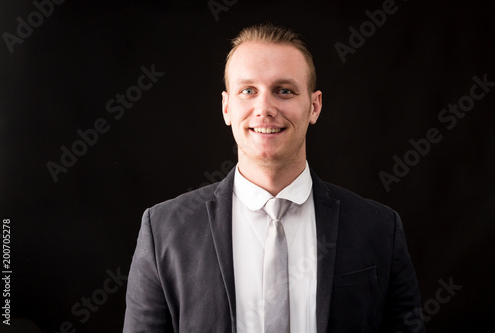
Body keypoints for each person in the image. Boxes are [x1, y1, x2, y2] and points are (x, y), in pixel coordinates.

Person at [123, 23, 425, 333]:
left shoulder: (379, 229)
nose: (264, 108)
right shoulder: (163, 230)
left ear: (314, 106)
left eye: (284, 91)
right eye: (248, 91)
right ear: (227, 107)